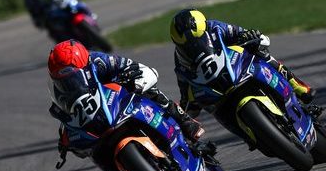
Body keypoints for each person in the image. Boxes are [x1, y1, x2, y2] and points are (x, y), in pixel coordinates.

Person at [48, 39, 207, 161]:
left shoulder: (99, 60)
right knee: (86, 149)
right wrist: (65, 138)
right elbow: (65, 113)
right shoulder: (58, 90)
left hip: (118, 99)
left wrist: (134, 80)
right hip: (97, 118)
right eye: (63, 80)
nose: (70, 82)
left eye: (73, 76)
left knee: (149, 89)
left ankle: (184, 122)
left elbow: (137, 68)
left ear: (85, 64)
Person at [169, 8, 317, 120]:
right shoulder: (179, 58)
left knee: (260, 51)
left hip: (235, 64)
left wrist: (250, 36)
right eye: (187, 45)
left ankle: (297, 86)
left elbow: (240, 32)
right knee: (194, 103)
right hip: (214, 87)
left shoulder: (215, 26)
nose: (194, 45)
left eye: (197, 39)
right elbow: (184, 87)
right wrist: (185, 112)